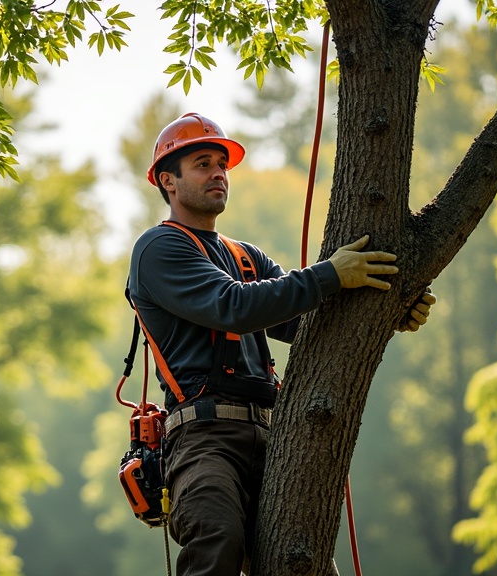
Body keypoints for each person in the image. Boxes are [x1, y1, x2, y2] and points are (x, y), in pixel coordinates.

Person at [126, 113, 435, 576]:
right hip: (205, 439)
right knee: (217, 536)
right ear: (168, 181)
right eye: (203, 164)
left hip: (276, 438)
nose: (218, 173)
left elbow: (302, 321)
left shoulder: (245, 257)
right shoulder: (158, 250)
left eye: (222, 165)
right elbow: (233, 306)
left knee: (303, 560)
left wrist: (389, 316)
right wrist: (330, 273)